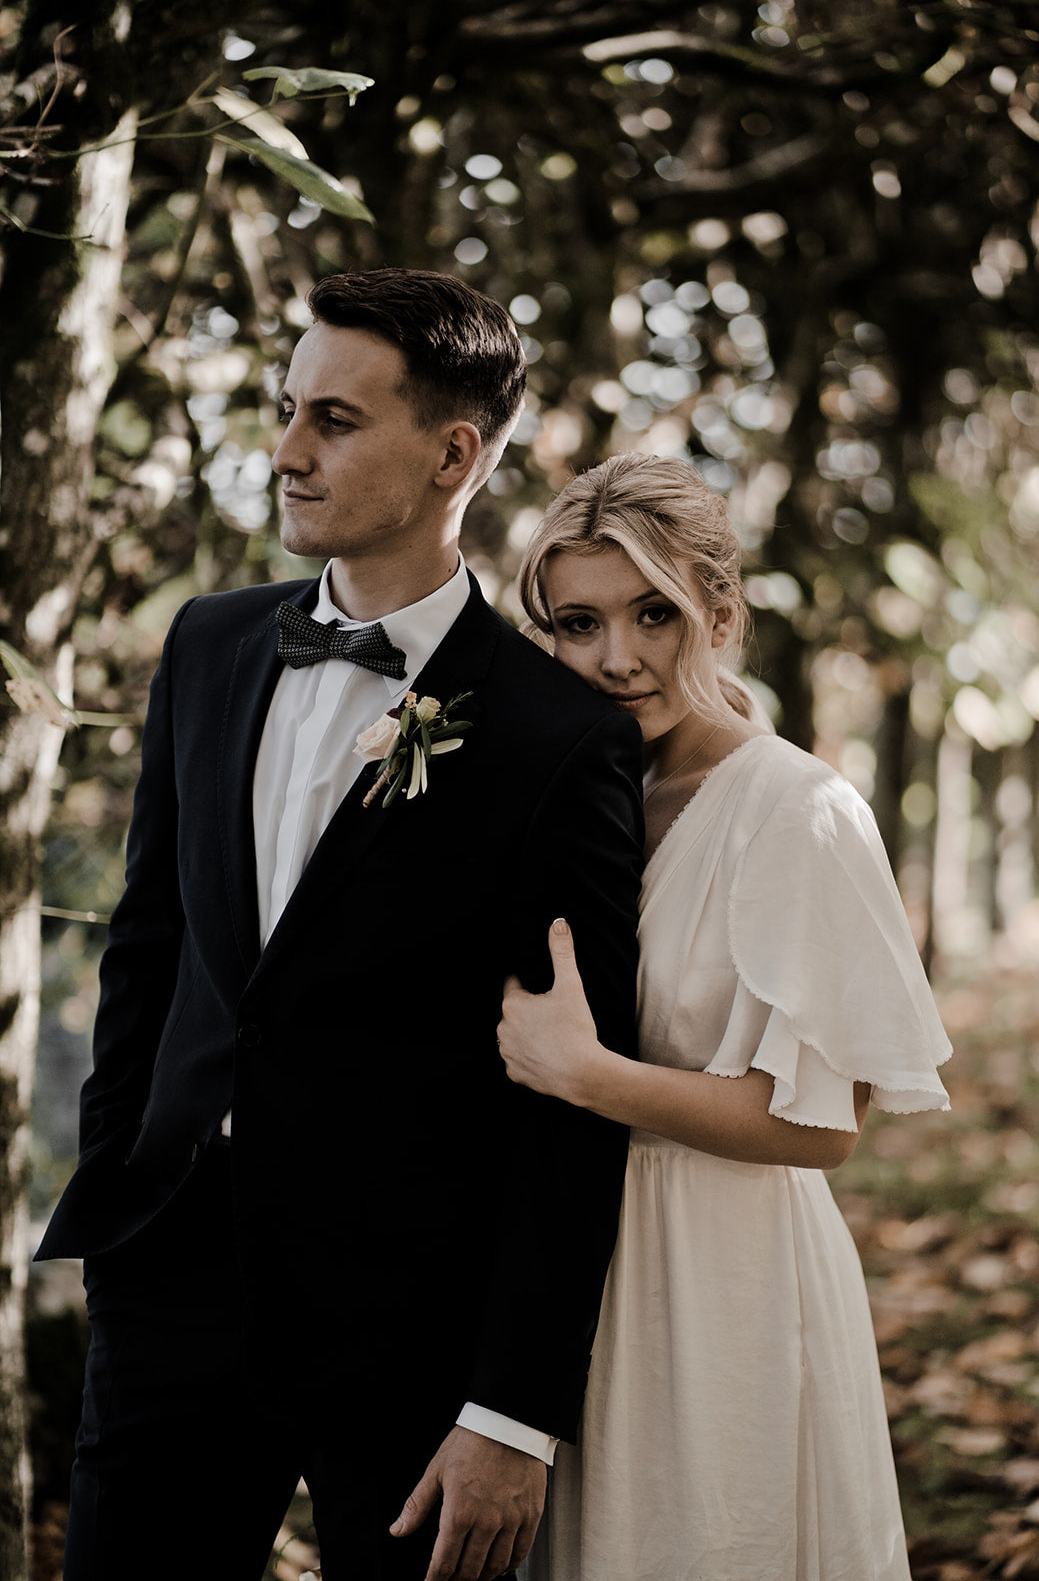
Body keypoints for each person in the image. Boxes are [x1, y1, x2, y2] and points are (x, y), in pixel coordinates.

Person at [36, 270, 646, 1581]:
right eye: (283, 409)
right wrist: (125, 1202)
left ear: (453, 453)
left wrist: (509, 1411)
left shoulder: (559, 740)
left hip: (410, 1334)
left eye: (333, 419)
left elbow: (570, 1105)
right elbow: (147, 952)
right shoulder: (206, 648)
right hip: (171, 1286)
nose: (288, 451)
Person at [497, 452, 953, 1581]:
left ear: (719, 608)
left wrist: (587, 1075)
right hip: (574, 1274)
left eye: (654, 612)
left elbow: (822, 1129)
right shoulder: (584, 793)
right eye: (577, 622)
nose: (617, 657)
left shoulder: (795, 811)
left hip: (725, 1275)